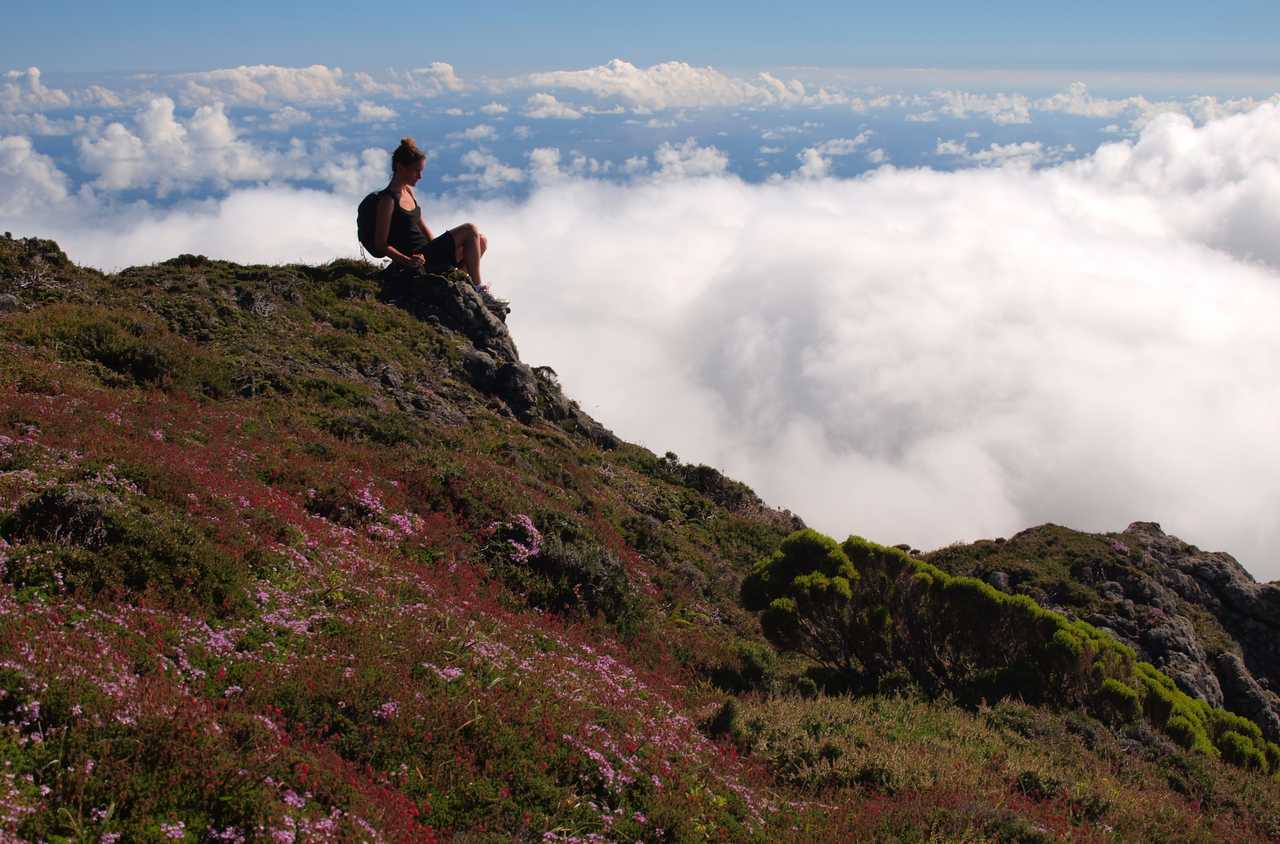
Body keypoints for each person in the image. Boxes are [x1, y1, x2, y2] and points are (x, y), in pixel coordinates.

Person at [373, 137, 488, 288]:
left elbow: (421, 225)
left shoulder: (408, 191)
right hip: (413, 261)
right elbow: (380, 244)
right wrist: (407, 261)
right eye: (416, 171)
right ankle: (478, 288)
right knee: (470, 229)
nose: (420, 177)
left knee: (481, 241)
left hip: (428, 255)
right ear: (401, 167)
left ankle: (456, 281)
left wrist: (438, 246)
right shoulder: (388, 200)